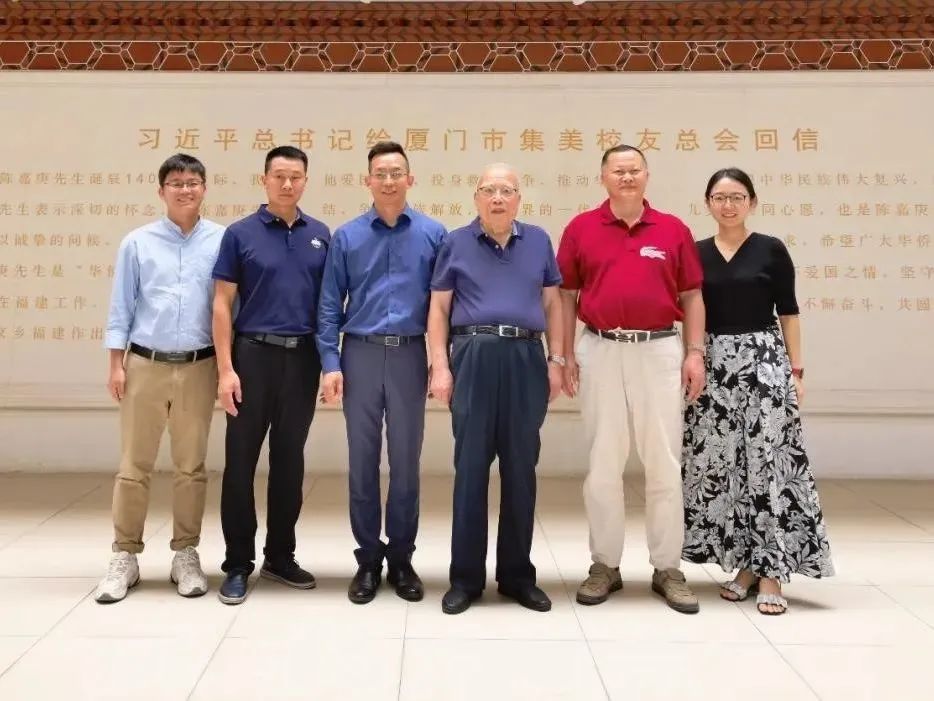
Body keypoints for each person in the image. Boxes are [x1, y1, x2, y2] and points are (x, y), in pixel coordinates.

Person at [557, 144, 706, 614]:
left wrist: (694, 353)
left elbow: (692, 295)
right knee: (603, 462)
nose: (626, 177)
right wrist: (564, 354)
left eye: (634, 170)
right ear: (603, 177)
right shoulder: (581, 228)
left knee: (664, 460)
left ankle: (668, 567)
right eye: (618, 170)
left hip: (659, 350)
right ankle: (605, 565)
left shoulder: (672, 229)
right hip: (600, 348)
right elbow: (565, 295)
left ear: (647, 175)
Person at [681, 167, 834, 615]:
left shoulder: (771, 248)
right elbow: (688, 311)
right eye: (719, 197)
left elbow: (789, 313)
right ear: (707, 203)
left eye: (737, 197)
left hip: (764, 362)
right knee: (727, 468)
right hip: (713, 365)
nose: (728, 205)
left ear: (752, 202)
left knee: (768, 465)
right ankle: (746, 566)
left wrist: (796, 370)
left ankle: (772, 572)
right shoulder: (695, 252)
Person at [428, 163, 564, 615]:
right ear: (476, 198)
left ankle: (517, 576)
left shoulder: (539, 241)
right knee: (470, 469)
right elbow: (438, 309)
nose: (498, 198)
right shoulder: (456, 242)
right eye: (489, 190)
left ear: (519, 198)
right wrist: (440, 367)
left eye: (506, 190)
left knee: (521, 468)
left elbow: (553, 304)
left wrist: (557, 360)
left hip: (526, 357)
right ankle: (465, 579)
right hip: (473, 356)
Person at [317, 141, 446, 604]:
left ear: (410, 179)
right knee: (362, 460)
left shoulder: (434, 234)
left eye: (396, 172)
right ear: (367, 180)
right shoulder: (347, 237)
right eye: (380, 173)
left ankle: (403, 558)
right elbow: (329, 304)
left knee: (407, 462)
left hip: (411, 355)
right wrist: (330, 363)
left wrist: (441, 362)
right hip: (361, 356)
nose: (388, 180)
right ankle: (368, 559)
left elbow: (445, 306)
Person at [96, 153, 223, 603]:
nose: (185, 189)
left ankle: (185, 553)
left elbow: (228, 307)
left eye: (192, 182)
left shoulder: (222, 241)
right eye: (176, 183)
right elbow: (121, 307)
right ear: (161, 190)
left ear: (204, 188)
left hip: (200, 365)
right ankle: (124, 555)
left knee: (191, 467)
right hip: (145, 365)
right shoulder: (137, 243)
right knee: (134, 466)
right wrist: (116, 364)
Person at [211, 145, 331, 605]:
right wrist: (226, 369)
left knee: (289, 461)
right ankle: (237, 564)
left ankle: (280, 556)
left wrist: (329, 363)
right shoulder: (240, 234)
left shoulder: (320, 235)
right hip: (252, 357)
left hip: (302, 361)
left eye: (295, 176)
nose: (287, 183)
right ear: (264, 180)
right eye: (279, 175)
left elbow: (327, 306)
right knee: (240, 462)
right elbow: (222, 304)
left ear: (305, 182)